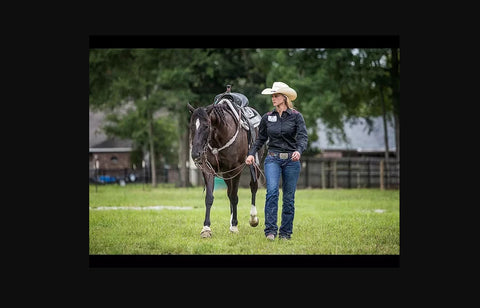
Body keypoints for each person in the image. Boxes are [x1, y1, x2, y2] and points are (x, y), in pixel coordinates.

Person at [245, 82, 308, 240]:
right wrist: (251, 153)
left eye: (276, 96)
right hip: (272, 159)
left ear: (284, 98)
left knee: (288, 198)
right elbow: (260, 139)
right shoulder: (267, 117)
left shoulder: (296, 117)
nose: (273, 98)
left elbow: (302, 138)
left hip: (291, 162)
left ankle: (286, 233)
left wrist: (298, 151)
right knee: (272, 192)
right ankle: (270, 231)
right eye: (272, 96)